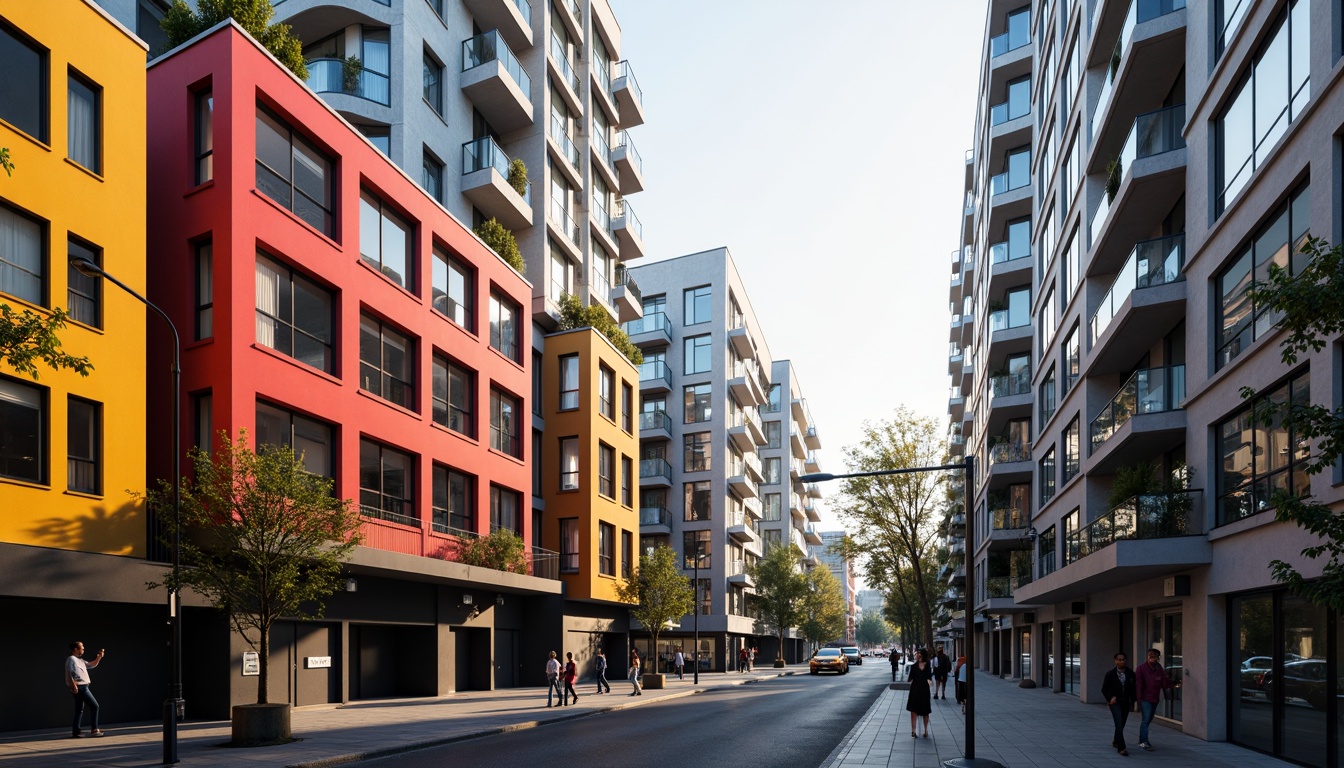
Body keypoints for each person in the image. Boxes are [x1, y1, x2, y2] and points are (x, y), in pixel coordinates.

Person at [1135, 648, 1173, 751]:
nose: (1151, 657)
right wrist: (1138, 700)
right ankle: (1143, 741)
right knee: (1146, 719)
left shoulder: (1159, 669)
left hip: (1155, 698)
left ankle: (1142, 740)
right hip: (1145, 698)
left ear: (1157, 657)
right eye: (1149, 656)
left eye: (1153, 656)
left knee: (1149, 719)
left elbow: (1164, 683)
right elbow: (1138, 684)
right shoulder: (1141, 668)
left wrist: (1168, 679)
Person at [1101, 651, 1137, 756]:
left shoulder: (1130, 674)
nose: (1120, 662)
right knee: (1118, 724)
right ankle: (1122, 748)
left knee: (1122, 724)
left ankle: (1116, 740)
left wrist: (1133, 700)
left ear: (1126, 661)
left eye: (1123, 660)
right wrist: (1110, 698)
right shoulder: (1110, 674)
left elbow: (1133, 689)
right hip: (1115, 702)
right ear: (1115, 661)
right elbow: (1104, 689)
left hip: (1126, 702)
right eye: (1118, 660)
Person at [66, 641, 105, 738]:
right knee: (95, 706)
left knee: (79, 710)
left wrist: (99, 657)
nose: (83, 649)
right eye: (81, 647)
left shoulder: (80, 660)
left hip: (82, 686)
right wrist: (74, 685)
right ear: (75, 649)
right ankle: (94, 729)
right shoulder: (71, 659)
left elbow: (91, 665)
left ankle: (76, 732)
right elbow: (70, 673)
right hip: (81, 687)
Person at [905, 649, 933, 737]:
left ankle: (914, 731)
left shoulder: (914, 666)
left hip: (915, 690)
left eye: (918, 654)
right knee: (925, 711)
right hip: (924, 689)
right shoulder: (928, 666)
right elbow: (929, 679)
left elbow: (909, 679)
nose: (918, 656)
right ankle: (925, 730)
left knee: (914, 710)